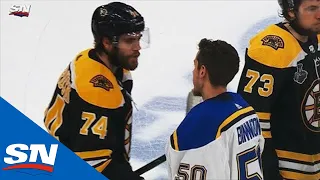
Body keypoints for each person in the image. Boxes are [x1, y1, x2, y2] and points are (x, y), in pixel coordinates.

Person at [43, 2, 150, 179]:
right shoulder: (96, 92)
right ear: (107, 42)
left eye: (139, 38)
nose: (137, 47)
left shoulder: (92, 59)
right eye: (129, 40)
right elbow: (93, 165)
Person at [237, 0, 320, 179]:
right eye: (312, 9)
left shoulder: (316, 37)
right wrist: (268, 171)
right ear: (291, 12)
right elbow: (253, 121)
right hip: (288, 169)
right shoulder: (270, 49)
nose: (319, 14)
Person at [165, 38, 265, 180]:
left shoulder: (201, 125)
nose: (193, 72)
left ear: (202, 71)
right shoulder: (246, 109)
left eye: (195, 66)